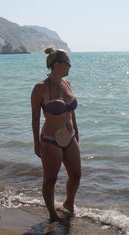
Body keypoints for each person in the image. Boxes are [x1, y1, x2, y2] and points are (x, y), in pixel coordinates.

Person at [31, 47, 81, 222]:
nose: (70, 67)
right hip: (50, 140)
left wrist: (77, 131)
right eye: (68, 63)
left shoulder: (67, 84)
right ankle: (52, 213)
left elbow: (71, 111)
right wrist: (37, 143)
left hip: (70, 137)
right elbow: (35, 117)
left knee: (76, 175)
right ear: (58, 64)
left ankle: (69, 203)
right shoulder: (40, 88)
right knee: (51, 179)